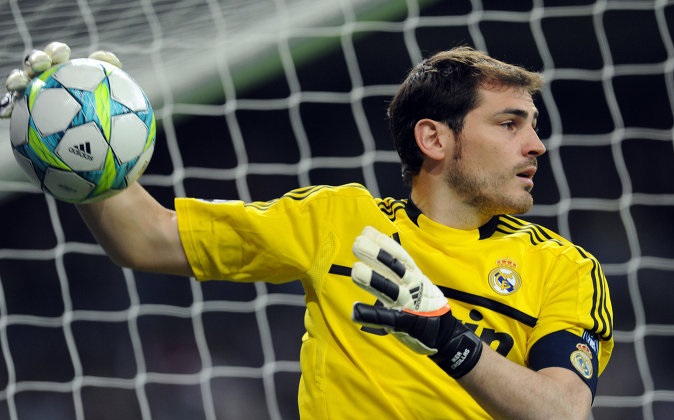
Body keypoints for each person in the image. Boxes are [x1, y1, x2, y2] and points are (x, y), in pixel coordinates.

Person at [3, 43, 613, 419]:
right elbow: (146, 239)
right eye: (510, 124)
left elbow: (563, 412)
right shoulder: (338, 219)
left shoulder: (564, 268)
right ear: (434, 138)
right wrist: (75, 143)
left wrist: (448, 336)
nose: (536, 144)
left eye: (532, 126)